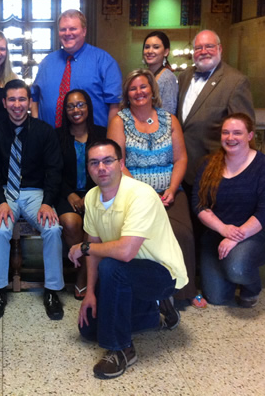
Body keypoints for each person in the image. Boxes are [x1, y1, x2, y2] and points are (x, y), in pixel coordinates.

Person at [68, 139, 187, 380]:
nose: (101, 167)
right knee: (88, 330)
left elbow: (124, 252)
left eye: (108, 161)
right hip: (125, 273)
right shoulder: (92, 197)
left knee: (113, 267)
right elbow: (94, 250)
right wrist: (90, 292)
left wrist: (84, 246)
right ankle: (156, 310)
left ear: (121, 164)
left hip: (162, 273)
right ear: (88, 168)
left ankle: (121, 349)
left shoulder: (140, 194)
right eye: (94, 163)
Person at [107, 69, 202, 307]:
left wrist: (172, 188)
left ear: (152, 90)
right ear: (127, 94)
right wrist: (145, 194)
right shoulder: (120, 121)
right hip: (134, 193)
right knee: (145, 238)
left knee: (181, 234)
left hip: (170, 192)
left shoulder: (170, 120)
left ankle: (182, 291)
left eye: (143, 87)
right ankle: (150, 292)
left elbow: (180, 159)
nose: (139, 92)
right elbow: (117, 163)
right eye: (133, 88)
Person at [0, 79, 64, 321]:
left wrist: (47, 202)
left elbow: (54, 170)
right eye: (12, 99)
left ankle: (52, 291)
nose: (17, 105)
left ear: (29, 102)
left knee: (52, 228)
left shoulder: (44, 131)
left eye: (22, 99)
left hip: (34, 193)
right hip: (3, 192)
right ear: (4, 103)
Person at [193, 113, 265, 308]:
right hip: (216, 233)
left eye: (237, 133)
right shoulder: (208, 165)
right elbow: (199, 205)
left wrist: (235, 237)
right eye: (226, 132)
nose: (230, 138)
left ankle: (251, 287)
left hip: (256, 233)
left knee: (237, 267)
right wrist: (223, 230)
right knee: (217, 298)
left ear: (250, 136)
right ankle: (230, 271)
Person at [177, 29, 255, 189]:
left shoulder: (235, 82)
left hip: (215, 172)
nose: (203, 52)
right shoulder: (184, 76)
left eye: (209, 46)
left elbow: (244, 130)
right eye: (198, 48)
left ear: (220, 49)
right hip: (182, 170)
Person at [31, 9, 122, 128]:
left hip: (92, 141)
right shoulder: (47, 63)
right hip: (50, 140)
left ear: (84, 31)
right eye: (63, 29)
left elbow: (114, 104)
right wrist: (36, 129)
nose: (67, 33)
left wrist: (110, 140)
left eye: (73, 28)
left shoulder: (104, 61)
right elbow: (34, 99)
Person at [55, 89, 106, 300]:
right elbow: (52, 171)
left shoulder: (101, 134)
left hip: (98, 192)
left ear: (88, 107)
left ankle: (85, 276)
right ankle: (85, 272)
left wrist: (92, 194)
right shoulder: (57, 136)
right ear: (65, 111)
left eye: (80, 104)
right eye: (70, 106)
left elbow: (107, 171)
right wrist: (70, 195)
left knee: (99, 222)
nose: (76, 110)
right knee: (71, 222)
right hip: (65, 193)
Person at [142, 31, 178, 115]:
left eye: (156, 47)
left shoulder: (167, 78)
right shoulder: (145, 75)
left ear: (166, 52)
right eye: (147, 47)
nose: (150, 51)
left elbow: (168, 114)